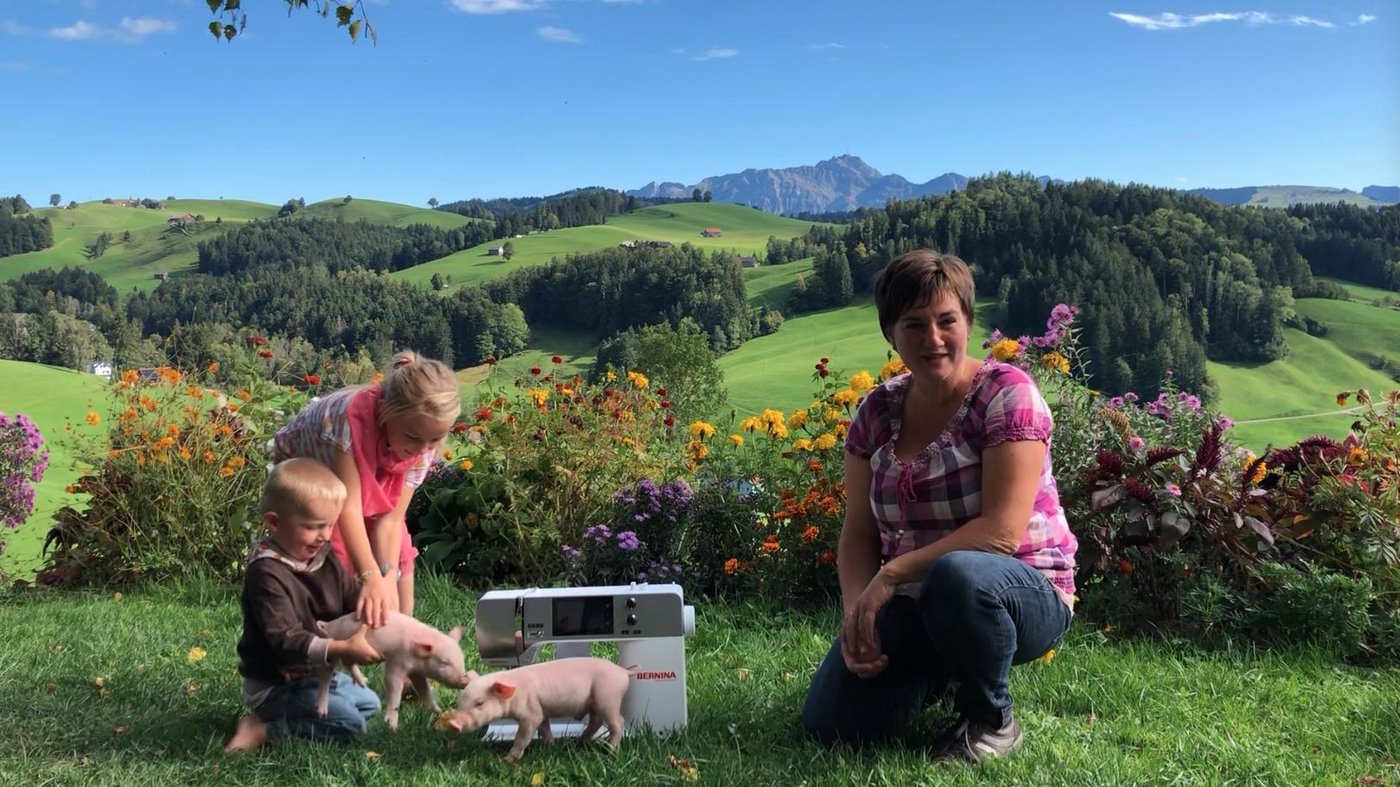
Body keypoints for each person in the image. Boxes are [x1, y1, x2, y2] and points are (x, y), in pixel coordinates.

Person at [800, 250, 1077, 763]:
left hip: (1021, 591)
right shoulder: (877, 410)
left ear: (968, 322)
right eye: (914, 324)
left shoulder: (1006, 395)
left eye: (947, 320)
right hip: (918, 597)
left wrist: (891, 576)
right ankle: (944, 671)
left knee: (959, 577)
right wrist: (857, 614)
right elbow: (859, 532)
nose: (933, 338)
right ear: (890, 333)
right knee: (833, 725)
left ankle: (991, 719)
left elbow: (1000, 533)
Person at [272, 350, 461, 627]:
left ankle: (402, 634)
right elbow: (349, 509)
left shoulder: (421, 446)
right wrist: (369, 577)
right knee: (334, 540)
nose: (423, 450)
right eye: (413, 437)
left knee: (398, 549)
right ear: (387, 412)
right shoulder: (350, 420)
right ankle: (329, 632)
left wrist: (387, 575)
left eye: (435, 439)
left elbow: (391, 520)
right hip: (309, 463)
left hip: (375, 458)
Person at [225, 458, 384, 753]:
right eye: (313, 526)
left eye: (330, 525)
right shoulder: (266, 573)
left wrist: (371, 610)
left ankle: (309, 710)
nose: (324, 535)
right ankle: (262, 729)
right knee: (350, 724)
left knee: (370, 704)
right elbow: (285, 639)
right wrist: (342, 649)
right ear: (274, 521)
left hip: (314, 676)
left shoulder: (322, 556)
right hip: (276, 683)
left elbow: (348, 601)